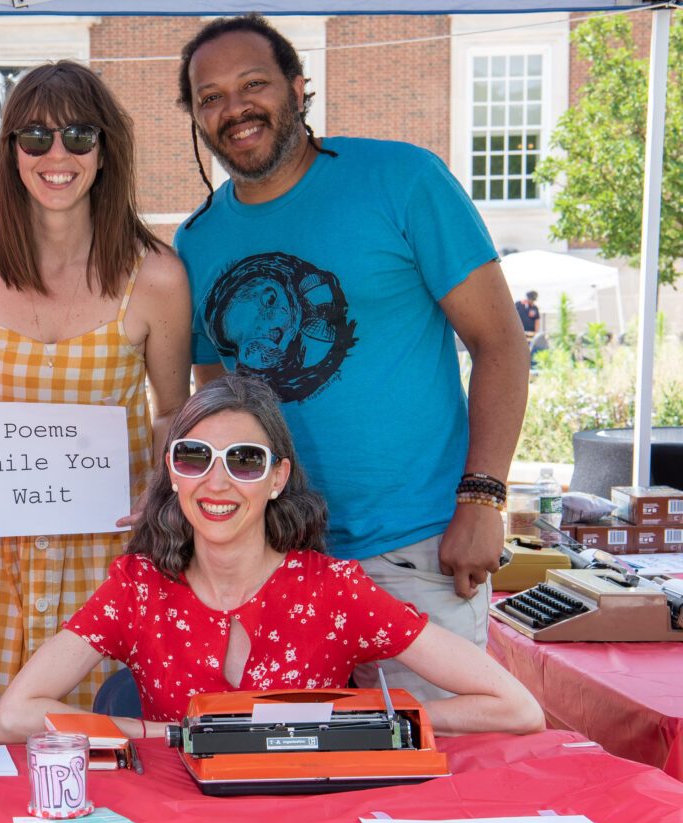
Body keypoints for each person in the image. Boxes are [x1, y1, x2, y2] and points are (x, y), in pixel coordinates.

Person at [172, 15, 530, 702]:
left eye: (254, 84)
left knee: (433, 785)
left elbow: (499, 341)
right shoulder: (197, 241)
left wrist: (483, 497)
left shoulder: (403, 179)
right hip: (275, 567)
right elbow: (215, 400)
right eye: (210, 96)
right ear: (196, 117)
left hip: (417, 553)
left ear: (299, 89)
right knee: (296, 788)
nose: (234, 108)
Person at [0, 374, 544, 742]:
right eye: (194, 457)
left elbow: (517, 708)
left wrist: (358, 723)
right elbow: (14, 716)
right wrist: (170, 735)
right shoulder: (139, 587)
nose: (217, 482)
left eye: (245, 461)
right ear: (173, 472)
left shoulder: (334, 590)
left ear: (278, 477)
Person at [0, 61, 193, 708]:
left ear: (105, 149)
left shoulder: (158, 278)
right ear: (11, 152)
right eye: (34, 137)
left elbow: (174, 415)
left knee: (117, 756)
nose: (56, 155)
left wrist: (164, 494)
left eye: (78, 137)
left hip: (113, 560)